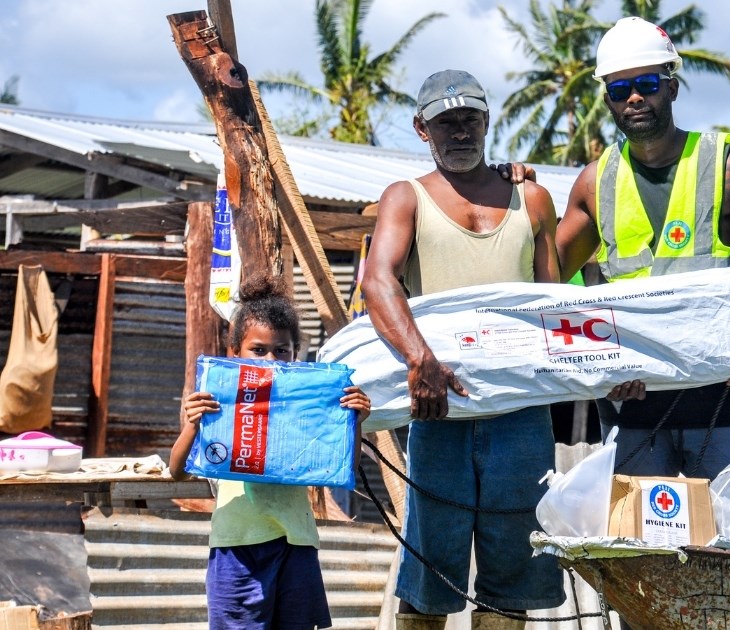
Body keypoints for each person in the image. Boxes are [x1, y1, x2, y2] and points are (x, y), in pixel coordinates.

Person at [360, 69, 565, 630]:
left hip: (522, 413)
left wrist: (600, 370)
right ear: (421, 129)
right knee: (431, 572)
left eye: (469, 120)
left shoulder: (533, 199)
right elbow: (377, 281)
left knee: (513, 573)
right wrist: (418, 358)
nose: (459, 133)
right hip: (437, 409)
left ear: (487, 122)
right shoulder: (406, 198)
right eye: (445, 123)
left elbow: (557, 303)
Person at [554, 16, 730, 480]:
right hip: (632, 399)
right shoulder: (594, 181)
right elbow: (547, 276)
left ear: (672, 87)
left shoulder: (726, 168)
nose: (634, 98)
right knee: (641, 543)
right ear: (607, 99)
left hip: (718, 393)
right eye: (619, 89)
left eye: (646, 83)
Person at [168, 274, 372, 630]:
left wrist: (353, 422)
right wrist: (193, 424)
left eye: (281, 351)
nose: (269, 359)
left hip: (296, 541)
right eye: (257, 350)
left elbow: (339, 471)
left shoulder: (306, 407)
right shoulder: (219, 402)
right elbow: (178, 471)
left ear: (295, 355)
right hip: (237, 546)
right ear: (234, 353)